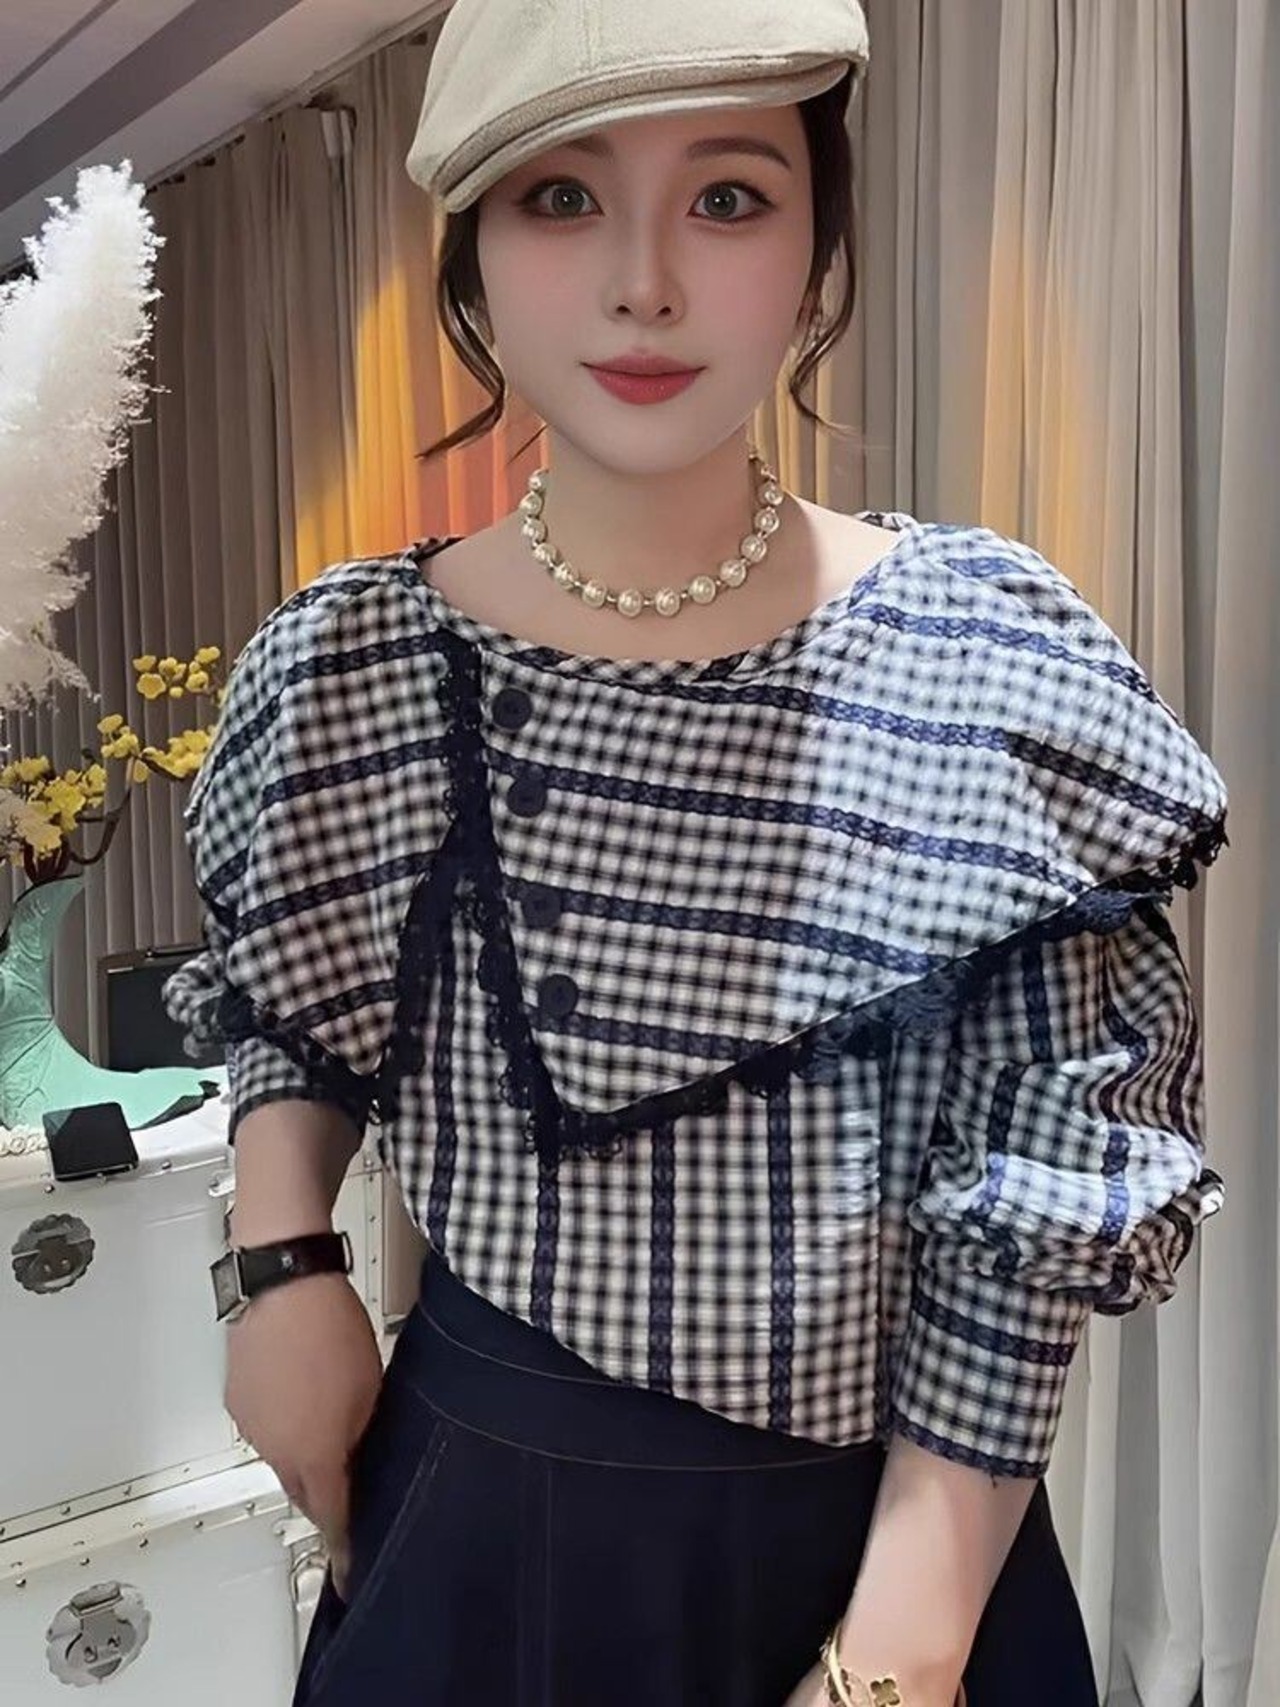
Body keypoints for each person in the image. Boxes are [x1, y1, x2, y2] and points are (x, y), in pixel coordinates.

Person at [163, 3, 1230, 1703]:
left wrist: (902, 1648)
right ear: (472, 256)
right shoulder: (355, 664)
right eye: (562, 199)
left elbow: (1045, 1176)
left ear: (819, 247)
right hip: (487, 1506)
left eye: (728, 198)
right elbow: (302, 999)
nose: (644, 284)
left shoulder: (986, 653)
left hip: (905, 1535)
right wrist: (281, 1268)